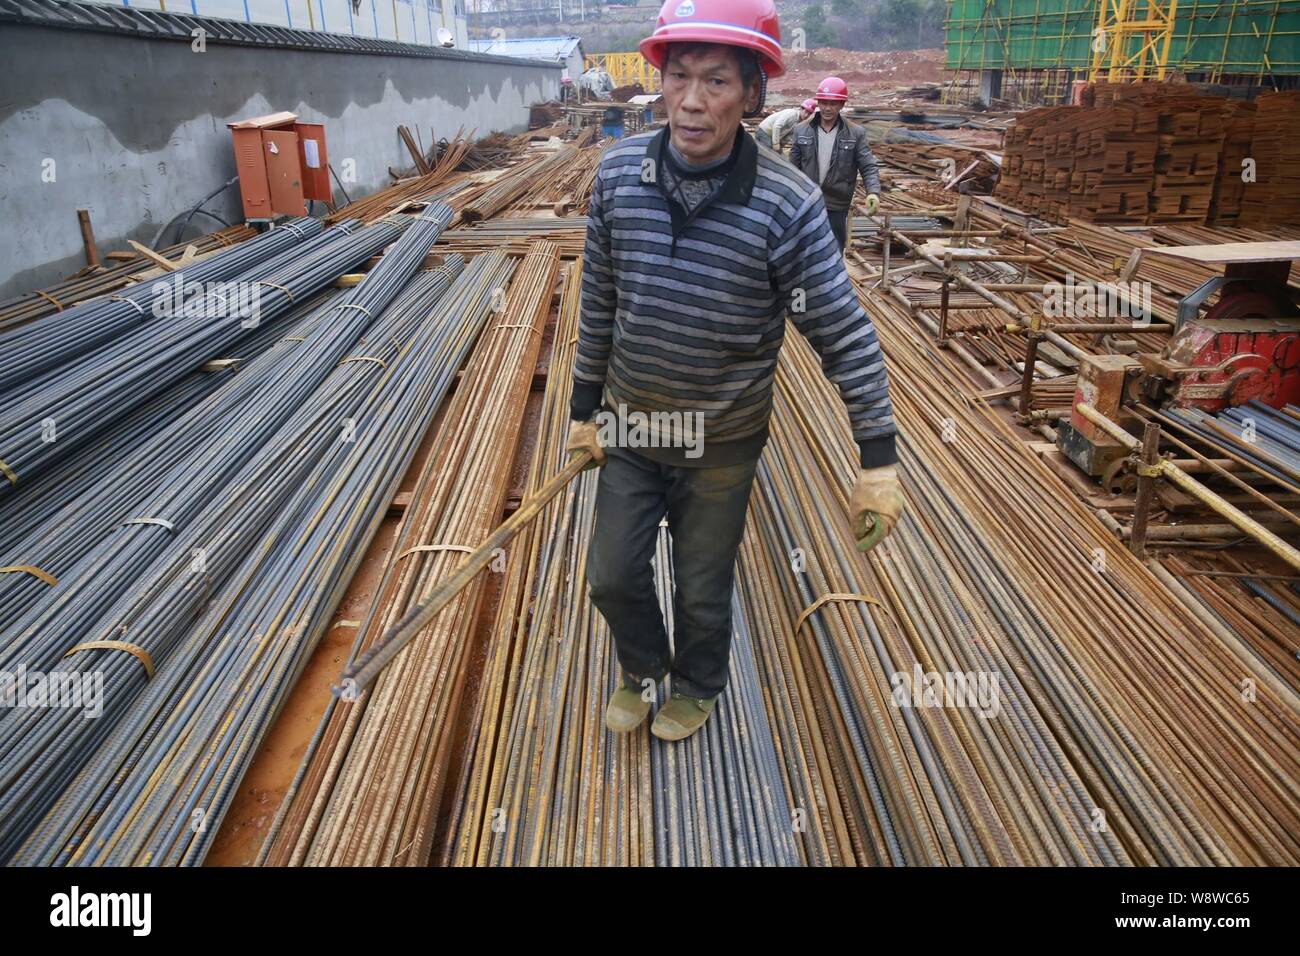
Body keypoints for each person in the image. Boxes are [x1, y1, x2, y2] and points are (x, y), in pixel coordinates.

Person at [565, 0, 904, 743]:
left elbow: (841, 330)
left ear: (752, 93)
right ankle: (642, 666)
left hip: (721, 437)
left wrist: (877, 458)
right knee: (612, 576)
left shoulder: (787, 206)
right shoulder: (619, 176)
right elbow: (599, 301)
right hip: (633, 422)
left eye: (716, 80)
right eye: (678, 75)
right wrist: (583, 410)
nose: (691, 101)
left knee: (703, 589)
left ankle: (695, 682)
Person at [788, 76, 881, 252]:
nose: (828, 108)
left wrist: (874, 193)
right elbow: (792, 168)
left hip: (836, 203)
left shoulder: (855, 133)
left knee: (834, 250)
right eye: (824, 102)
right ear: (818, 103)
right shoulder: (801, 130)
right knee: (803, 250)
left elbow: (868, 166)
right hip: (807, 201)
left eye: (833, 103)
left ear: (841, 105)